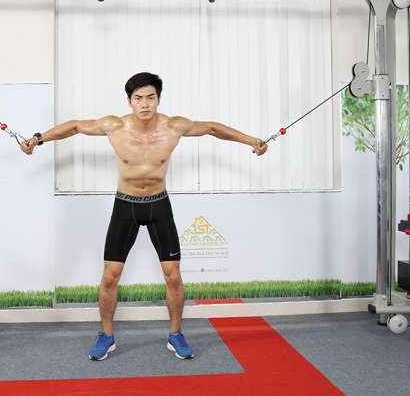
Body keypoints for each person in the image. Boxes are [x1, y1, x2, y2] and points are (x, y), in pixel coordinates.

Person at [20, 72, 268, 361]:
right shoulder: (115, 126)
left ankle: (175, 335)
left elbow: (212, 128)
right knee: (110, 277)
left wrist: (251, 140)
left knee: (173, 275)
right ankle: (106, 336)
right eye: (138, 98)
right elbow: (75, 126)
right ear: (129, 101)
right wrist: (38, 138)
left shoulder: (174, 126)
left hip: (158, 205)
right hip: (125, 206)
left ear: (158, 99)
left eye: (151, 97)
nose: (145, 103)